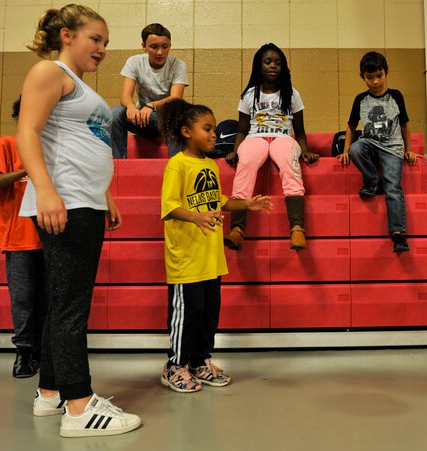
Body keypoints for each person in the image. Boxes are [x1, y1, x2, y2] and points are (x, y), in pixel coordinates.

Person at [16, 4, 141, 437]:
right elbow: (27, 132)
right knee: (72, 305)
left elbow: (85, 142)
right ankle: (80, 406)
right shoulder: (48, 72)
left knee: (62, 302)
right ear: (67, 35)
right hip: (63, 202)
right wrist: (47, 191)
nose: (103, 49)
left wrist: (105, 194)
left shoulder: (77, 85)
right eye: (95, 39)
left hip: (83, 201)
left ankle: (50, 392)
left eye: (106, 42)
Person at [159, 99, 273, 393]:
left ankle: (199, 362)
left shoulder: (210, 165)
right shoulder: (177, 165)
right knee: (189, 312)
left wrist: (247, 203)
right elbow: (169, 207)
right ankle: (176, 365)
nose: (214, 134)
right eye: (207, 129)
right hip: (186, 259)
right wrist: (195, 217)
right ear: (186, 132)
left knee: (209, 312)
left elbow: (220, 201)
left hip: (211, 258)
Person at [224, 43, 319, 250]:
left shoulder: (292, 94)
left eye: (277, 62)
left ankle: (297, 228)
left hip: (283, 138)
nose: (273, 66)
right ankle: (237, 229)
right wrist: (235, 149)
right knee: (246, 164)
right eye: (267, 62)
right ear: (259, 66)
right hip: (254, 137)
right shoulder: (249, 94)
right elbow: (241, 129)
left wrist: (304, 150)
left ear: (283, 67)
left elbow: (299, 129)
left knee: (289, 166)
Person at [0, 98, 47, 379]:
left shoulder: (52, 145)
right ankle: (24, 351)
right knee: (22, 298)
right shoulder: (6, 145)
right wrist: (27, 169)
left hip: (50, 236)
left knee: (48, 298)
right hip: (18, 238)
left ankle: (44, 352)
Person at [338, 51, 421, 253]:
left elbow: (405, 125)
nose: (375, 82)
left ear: (386, 73)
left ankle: (398, 234)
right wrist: (346, 150)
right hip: (369, 144)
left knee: (393, 188)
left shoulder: (396, 96)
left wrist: (408, 150)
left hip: (392, 148)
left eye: (379, 76)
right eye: (369, 77)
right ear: (362, 77)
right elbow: (350, 126)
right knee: (357, 148)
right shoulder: (360, 100)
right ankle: (373, 181)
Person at [110, 23, 188, 158]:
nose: (160, 52)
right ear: (144, 47)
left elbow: (176, 98)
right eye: (154, 47)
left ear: (170, 46)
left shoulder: (178, 64)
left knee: (178, 115)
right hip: (141, 120)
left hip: (167, 121)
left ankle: (178, 166)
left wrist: (151, 106)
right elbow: (125, 97)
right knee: (115, 112)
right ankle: (118, 163)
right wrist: (131, 107)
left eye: (165, 47)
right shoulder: (134, 62)